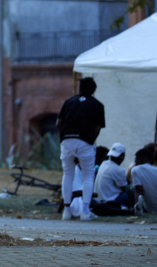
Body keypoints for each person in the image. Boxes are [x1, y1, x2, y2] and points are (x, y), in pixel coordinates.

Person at [56, 77, 105, 221]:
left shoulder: (69, 102)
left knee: (68, 174)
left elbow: (58, 123)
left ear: (80, 88)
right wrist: (89, 141)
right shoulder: (97, 105)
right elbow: (97, 128)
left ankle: (66, 211)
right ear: (94, 90)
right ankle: (85, 212)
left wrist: (66, 137)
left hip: (67, 140)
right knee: (88, 176)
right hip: (85, 141)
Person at [130, 148, 157, 213]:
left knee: (129, 188)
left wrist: (137, 207)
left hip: (149, 209)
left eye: (135, 160)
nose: (135, 163)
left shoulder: (135, 170)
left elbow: (138, 190)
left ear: (139, 159)